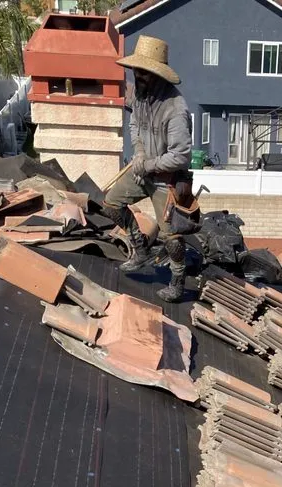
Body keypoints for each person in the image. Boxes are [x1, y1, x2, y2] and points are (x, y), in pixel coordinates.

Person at [105, 35, 192, 303]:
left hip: (166, 179)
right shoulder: (140, 97)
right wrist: (140, 153)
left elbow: (181, 155)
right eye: (135, 71)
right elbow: (135, 127)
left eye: (142, 73)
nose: (137, 77)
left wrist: (151, 164)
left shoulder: (175, 108)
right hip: (142, 170)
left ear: (157, 74)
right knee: (111, 204)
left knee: (171, 237)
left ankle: (178, 282)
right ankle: (140, 249)